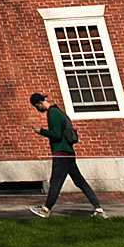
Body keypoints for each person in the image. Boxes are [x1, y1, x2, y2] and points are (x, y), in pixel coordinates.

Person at [28, 90, 108, 219]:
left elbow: (56, 134)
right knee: (80, 182)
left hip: (61, 154)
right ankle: (98, 209)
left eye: (36, 107)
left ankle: (46, 209)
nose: (38, 109)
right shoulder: (58, 111)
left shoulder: (52, 113)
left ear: (39, 103)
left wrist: (41, 131)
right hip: (69, 153)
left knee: (55, 182)